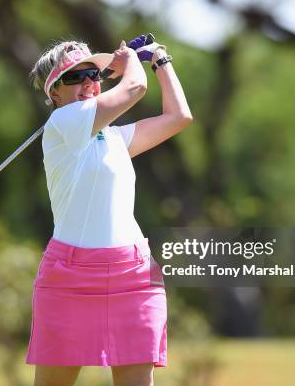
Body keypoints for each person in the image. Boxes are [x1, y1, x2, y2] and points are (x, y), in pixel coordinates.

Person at [26, 35, 192, 386]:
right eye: (74, 77)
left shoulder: (115, 138)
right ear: (54, 94)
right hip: (70, 277)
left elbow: (179, 116)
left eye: (94, 74)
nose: (88, 83)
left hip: (133, 276)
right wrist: (130, 58)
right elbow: (134, 88)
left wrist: (161, 59)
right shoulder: (63, 124)